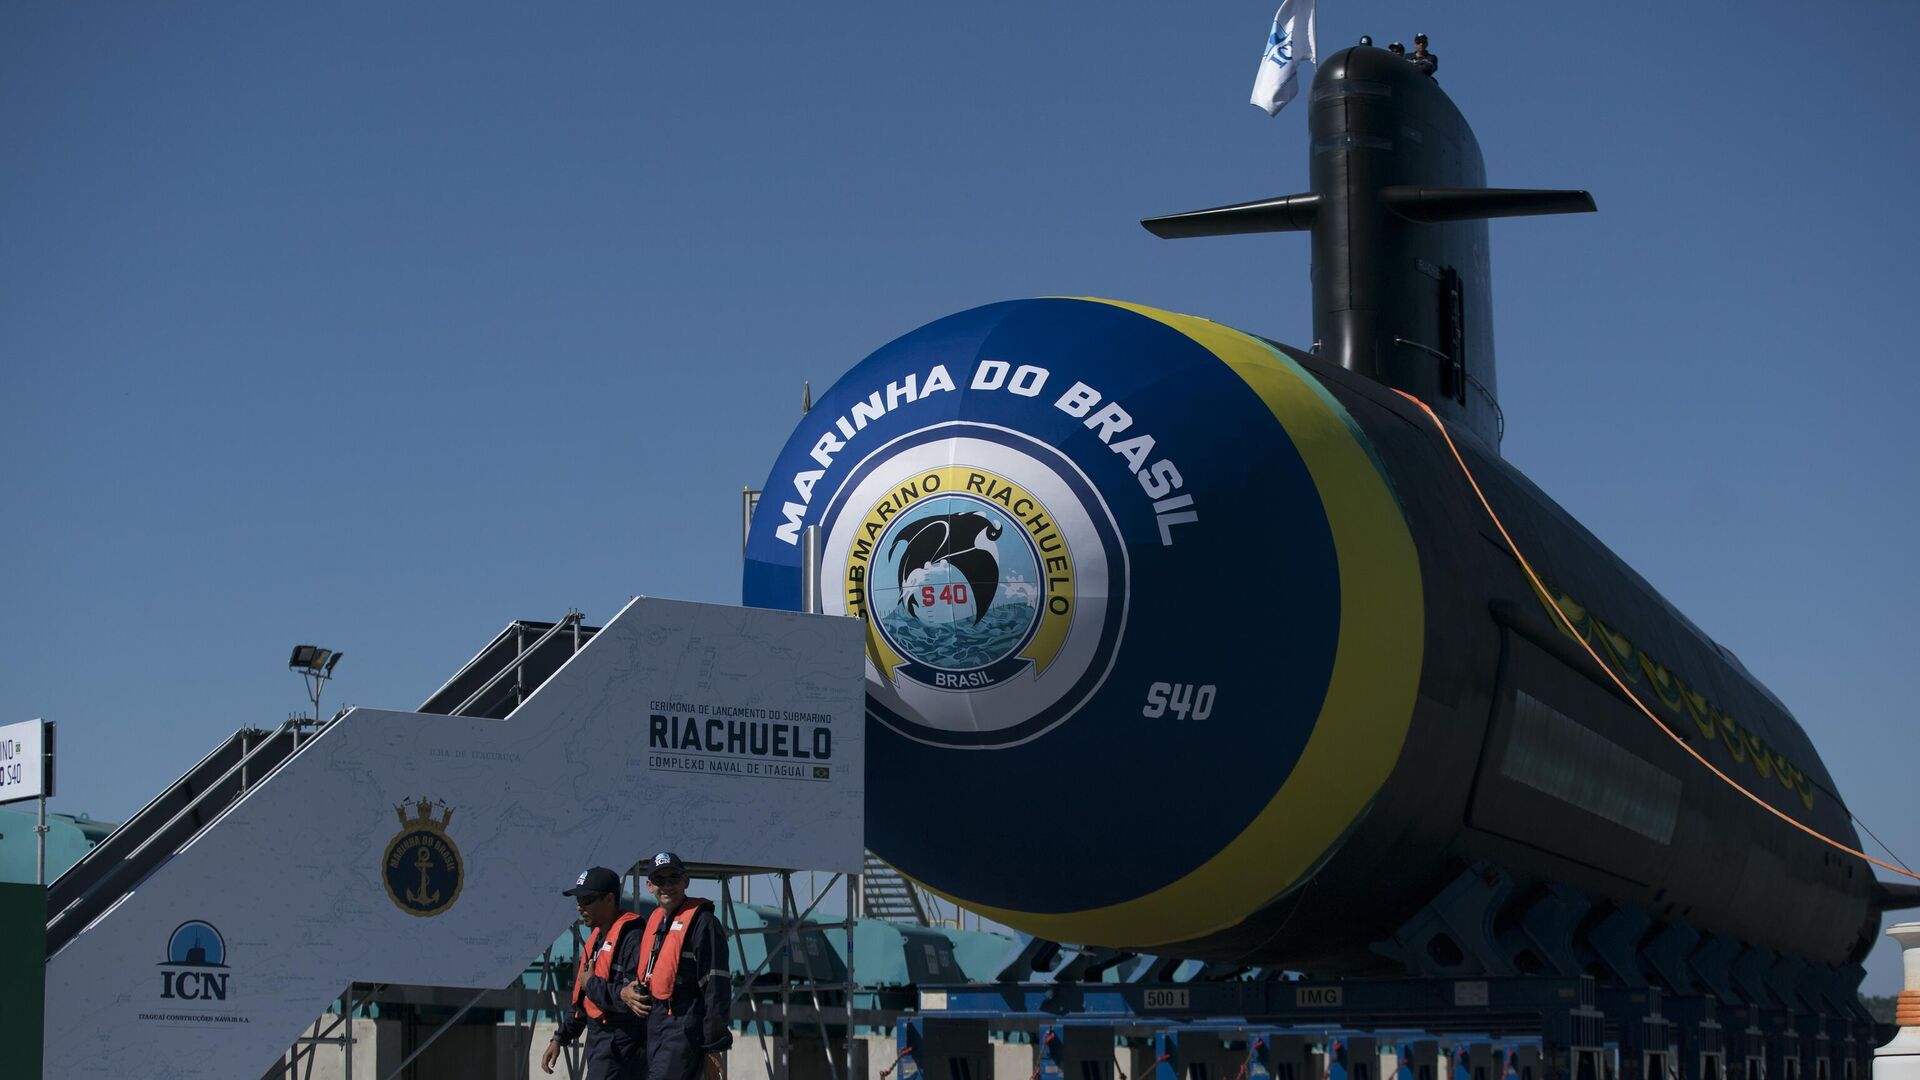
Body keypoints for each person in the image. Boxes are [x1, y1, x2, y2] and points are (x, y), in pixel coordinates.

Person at [621, 852, 733, 1080]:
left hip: (684, 1032)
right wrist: (625, 992)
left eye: (673, 878)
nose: (667, 886)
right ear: (649, 886)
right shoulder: (654, 924)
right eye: (660, 880)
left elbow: (716, 988)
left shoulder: (703, 924)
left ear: (686, 881)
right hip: (654, 1030)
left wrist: (712, 1047)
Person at [544, 867, 648, 1079]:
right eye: (578, 901)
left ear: (609, 899)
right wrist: (559, 1038)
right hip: (600, 1041)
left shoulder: (633, 939)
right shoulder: (597, 941)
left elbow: (634, 1000)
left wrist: (591, 983)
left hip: (623, 1045)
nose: (580, 907)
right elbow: (583, 1002)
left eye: (587, 899)